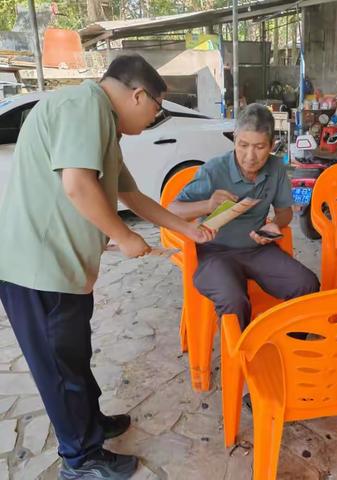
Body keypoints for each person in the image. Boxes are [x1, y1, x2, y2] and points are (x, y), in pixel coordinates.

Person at [0, 54, 214, 480]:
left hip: (64, 269)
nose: (156, 117)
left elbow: (133, 196)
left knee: (75, 358)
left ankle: (90, 426)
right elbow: (77, 184)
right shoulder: (85, 106)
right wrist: (125, 237)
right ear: (138, 95)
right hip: (39, 270)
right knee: (61, 369)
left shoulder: (102, 125)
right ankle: (80, 459)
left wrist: (187, 230)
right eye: (157, 107)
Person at [169, 103, 320, 332]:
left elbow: (284, 213)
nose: (250, 156)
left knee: (307, 284)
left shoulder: (276, 168)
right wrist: (207, 205)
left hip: (257, 250)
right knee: (234, 301)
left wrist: (273, 226)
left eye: (259, 147)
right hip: (214, 253)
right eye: (243, 145)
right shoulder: (214, 170)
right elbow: (172, 210)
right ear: (235, 139)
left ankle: (288, 348)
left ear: (271, 145)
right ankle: (239, 361)